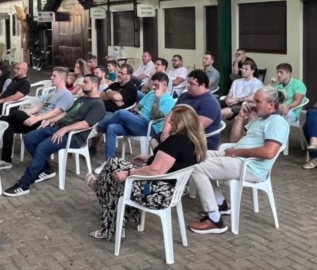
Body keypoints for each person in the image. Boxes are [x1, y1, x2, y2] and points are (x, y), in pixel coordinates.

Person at [88, 104, 206, 241]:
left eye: (172, 120)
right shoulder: (193, 141)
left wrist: (129, 173)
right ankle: (115, 209)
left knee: (112, 180)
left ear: (181, 123)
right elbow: (171, 162)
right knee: (114, 163)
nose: (169, 122)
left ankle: (109, 225)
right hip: (170, 189)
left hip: (155, 192)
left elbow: (155, 170)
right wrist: (150, 158)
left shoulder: (176, 140)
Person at [188, 86, 289, 234]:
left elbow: (269, 152)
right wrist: (241, 117)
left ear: (271, 105)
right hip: (238, 158)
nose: (253, 104)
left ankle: (214, 219)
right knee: (194, 156)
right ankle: (220, 204)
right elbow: (234, 139)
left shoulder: (276, 122)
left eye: (258, 101)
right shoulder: (260, 119)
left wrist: (237, 152)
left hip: (250, 167)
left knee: (196, 167)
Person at [4, 75, 106, 197]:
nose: (82, 84)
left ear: (94, 85)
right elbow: (66, 114)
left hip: (73, 136)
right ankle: (46, 169)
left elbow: (86, 123)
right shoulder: (82, 99)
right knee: (29, 138)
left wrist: (65, 129)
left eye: (85, 82)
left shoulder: (98, 105)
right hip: (57, 128)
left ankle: (24, 184)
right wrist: (50, 120)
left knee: (42, 148)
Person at [0, 67, 75, 169]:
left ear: (61, 78)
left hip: (44, 123)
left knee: (15, 114)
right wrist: (26, 113)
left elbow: (56, 112)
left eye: (54, 76)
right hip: (35, 119)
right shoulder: (52, 92)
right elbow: (39, 106)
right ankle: (6, 161)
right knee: (8, 125)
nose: (51, 77)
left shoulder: (66, 95)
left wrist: (37, 118)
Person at [96, 72, 176, 166]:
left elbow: (155, 116)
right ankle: (109, 163)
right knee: (111, 128)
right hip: (138, 122)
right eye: (152, 84)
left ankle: (100, 128)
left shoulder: (169, 100)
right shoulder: (150, 93)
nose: (153, 87)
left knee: (122, 113)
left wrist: (157, 98)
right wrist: (135, 113)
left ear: (164, 85)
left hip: (150, 128)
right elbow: (137, 107)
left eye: (156, 85)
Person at [174, 70, 223, 150]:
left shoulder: (210, 103)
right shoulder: (184, 96)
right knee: (155, 140)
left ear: (202, 85)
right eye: (188, 83)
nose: (188, 86)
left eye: (192, 84)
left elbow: (195, 127)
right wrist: (166, 131)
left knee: (168, 146)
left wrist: (173, 132)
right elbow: (172, 114)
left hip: (200, 139)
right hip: (180, 132)